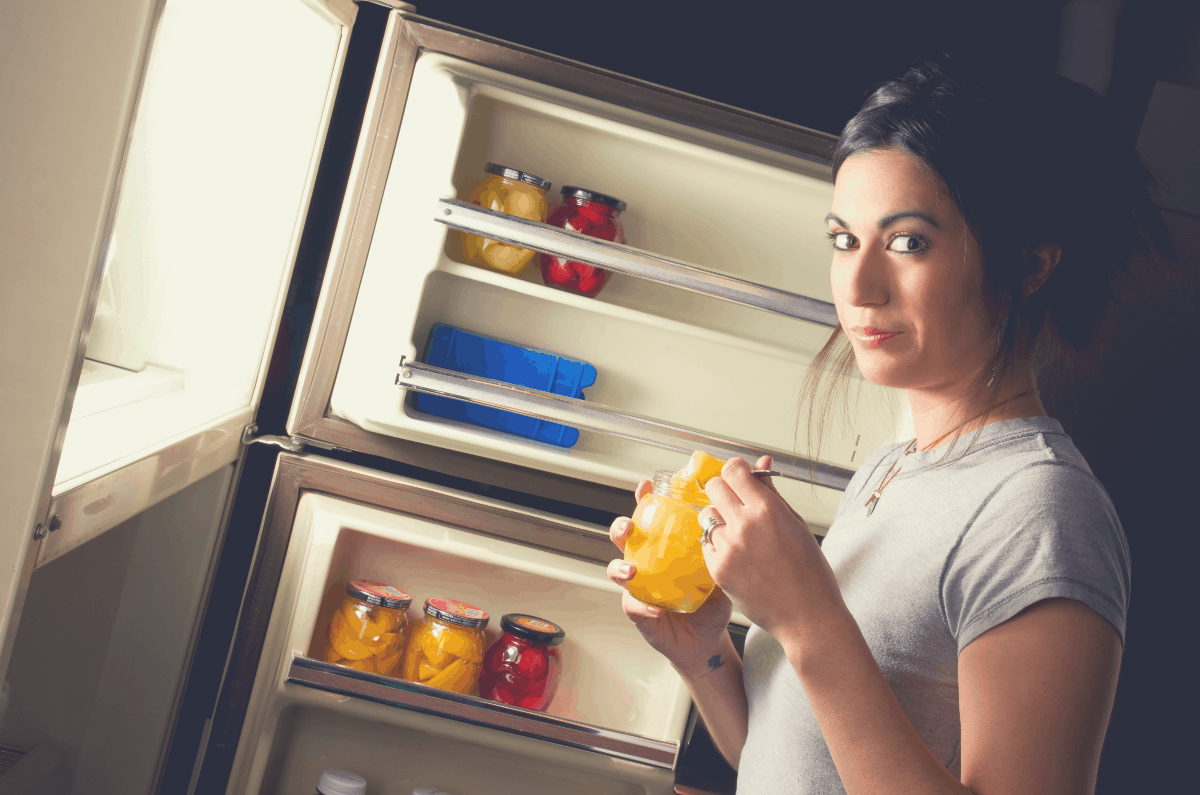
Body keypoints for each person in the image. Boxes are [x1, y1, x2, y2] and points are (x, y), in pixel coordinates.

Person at [606, 54, 1172, 795]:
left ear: (1026, 264)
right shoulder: (891, 467)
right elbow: (791, 766)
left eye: (909, 242)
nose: (860, 285)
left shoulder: (1042, 512)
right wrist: (703, 653)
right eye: (844, 239)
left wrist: (809, 620)